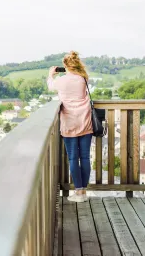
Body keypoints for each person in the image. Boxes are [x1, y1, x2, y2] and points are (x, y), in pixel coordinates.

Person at [47, 51, 93, 202]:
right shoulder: (83, 78)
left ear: (65, 65)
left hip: (69, 122)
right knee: (85, 157)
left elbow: (50, 87)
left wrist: (51, 74)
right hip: (85, 121)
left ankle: (78, 192)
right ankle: (84, 192)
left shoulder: (61, 81)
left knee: (73, 158)